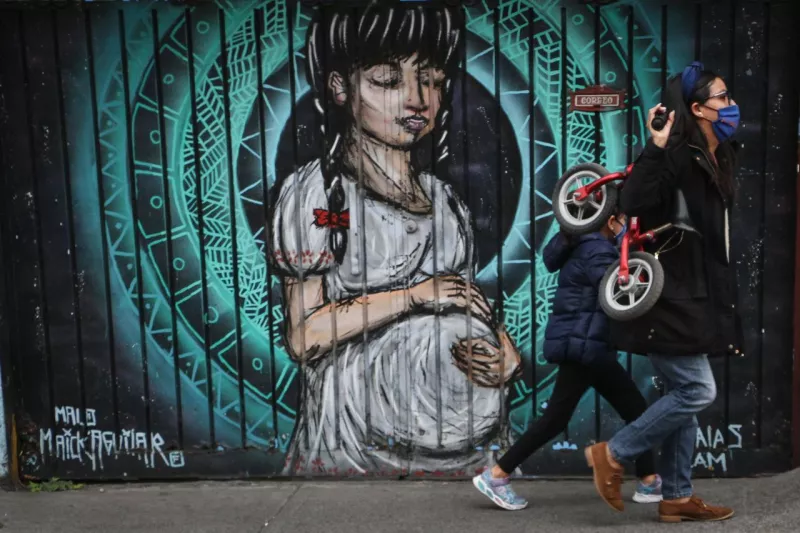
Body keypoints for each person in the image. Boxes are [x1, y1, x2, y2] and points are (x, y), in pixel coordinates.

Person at [272, 2, 521, 476]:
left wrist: (505, 352)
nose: (416, 99)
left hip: (467, 448)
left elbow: (464, 299)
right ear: (340, 87)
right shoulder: (318, 193)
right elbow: (305, 336)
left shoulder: (444, 200)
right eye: (388, 81)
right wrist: (412, 297)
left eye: (431, 80)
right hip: (356, 451)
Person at [584, 61, 742, 522]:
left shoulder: (718, 156)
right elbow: (632, 201)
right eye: (723, 98)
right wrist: (655, 146)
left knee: (682, 397)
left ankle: (675, 497)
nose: (732, 106)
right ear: (697, 108)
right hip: (666, 297)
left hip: (694, 293)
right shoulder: (674, 153)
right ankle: (613, 453)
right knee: (696, 391)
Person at [472, 210, 662, 510]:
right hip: (583, 346)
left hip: (590, 347)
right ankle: (496, 475)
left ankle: (650, 480)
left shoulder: (583, 244)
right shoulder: (598, 249)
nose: (625, 224)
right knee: (556, 420)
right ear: (610, 220)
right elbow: (615, 289)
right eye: (622, 219)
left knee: (636, 410)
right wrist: (631, 250)